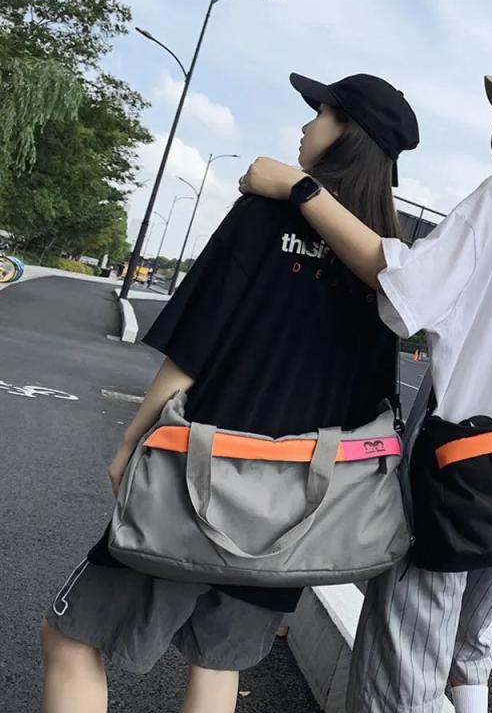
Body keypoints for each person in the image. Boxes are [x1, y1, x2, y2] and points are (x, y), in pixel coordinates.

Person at [238, 65, 492, 713]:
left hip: (462, 464)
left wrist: (302, 190)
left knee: (404, 667)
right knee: (469, 638)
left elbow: (406, 284)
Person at [39, 72, 419, 713]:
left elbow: (196, 343)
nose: (306, 125)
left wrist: (134, 439)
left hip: (197, 479)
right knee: (217, 667)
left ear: (346, 131)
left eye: (320, 112)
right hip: (298, 508)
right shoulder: (387, 258)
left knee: (71, 638)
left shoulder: (266, 213)